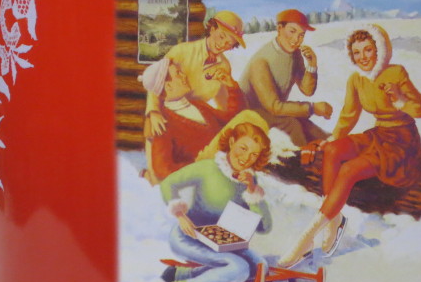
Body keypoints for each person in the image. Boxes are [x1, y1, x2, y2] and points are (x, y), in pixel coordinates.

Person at [278, 24, 421, 267]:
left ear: (379, 50)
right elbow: (348, 115)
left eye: (368, 50)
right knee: (332, 150)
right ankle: (334, 219)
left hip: (402, 142)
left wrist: (400, 98)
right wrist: (333, 139)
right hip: (379, 134)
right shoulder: (356, 79)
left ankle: (306, 238)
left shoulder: (396, 73)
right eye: (357, 52)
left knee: (349, 170)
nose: (363, 57)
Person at [148, 122, 273, 282]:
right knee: (239, 268)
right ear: (231, 142)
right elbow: (168, 183)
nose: (246, 158)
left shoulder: (249, 180)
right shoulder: (208, 168)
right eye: (243, 148)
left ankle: (180, 274)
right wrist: (180, 215)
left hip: (222, 240)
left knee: (260, 266)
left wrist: (252, 190)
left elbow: (264, 227)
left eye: (254, 154)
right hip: (190, 236)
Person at [139, 57, 265, 181]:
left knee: (250, 119)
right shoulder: (162, 122)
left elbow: (231, 119)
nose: (184, 75)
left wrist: (231, 87)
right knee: (249, 117)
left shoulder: (197, 105)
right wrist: (200, 169)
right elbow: (162, 169)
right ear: (168, 86)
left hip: (229, 158)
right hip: (207, 168)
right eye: (178, 73)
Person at [145, 10, 246, 139]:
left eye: (229, 43)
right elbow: (155, 80)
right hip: (166, 118)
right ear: (212, 29)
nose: (222, 45)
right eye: (221, 37)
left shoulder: (224, 67)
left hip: (193, 122)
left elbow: (224, 105)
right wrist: (153, 111)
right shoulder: (181, 51)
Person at [239, 9, 332, 147]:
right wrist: (313, 108)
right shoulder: (262, 60)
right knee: (292, 124)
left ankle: (333, 145)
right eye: (292, 31)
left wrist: (312, 66)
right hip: (250, 115)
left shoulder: (295, 54)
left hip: (275, 112)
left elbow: (307, 90)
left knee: (307, 125)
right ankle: (305, 156)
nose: (296, 39)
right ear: (279, 29)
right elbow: (274, 107)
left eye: (301, 35)